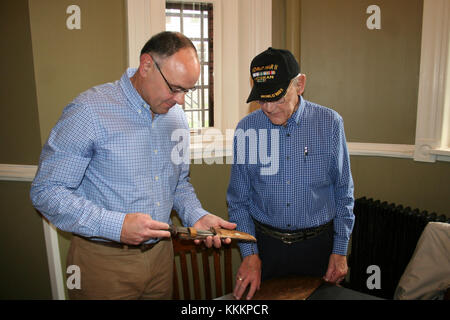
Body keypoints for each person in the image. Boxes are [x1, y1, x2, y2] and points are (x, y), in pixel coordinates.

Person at [30, 31, 235, 300]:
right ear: (147, 65)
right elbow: (46, 191)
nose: (181, 100)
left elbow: (178, 184)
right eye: (175, 88)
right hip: (103, 263)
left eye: (187, 91)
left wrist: (196, 214)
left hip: (162, 257)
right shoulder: (89, 111)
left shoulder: (176, 118)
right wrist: (116, 226)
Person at [227, 47, 355, 300]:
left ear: (300, 84)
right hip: (266, 248)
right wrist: (250, 254)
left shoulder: (329, 123)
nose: (270, 108)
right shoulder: (246, 129)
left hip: (319, 247)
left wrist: (340, 251)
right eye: (263, 99)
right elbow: (238, 201)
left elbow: (343, 192)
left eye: (279, 98)